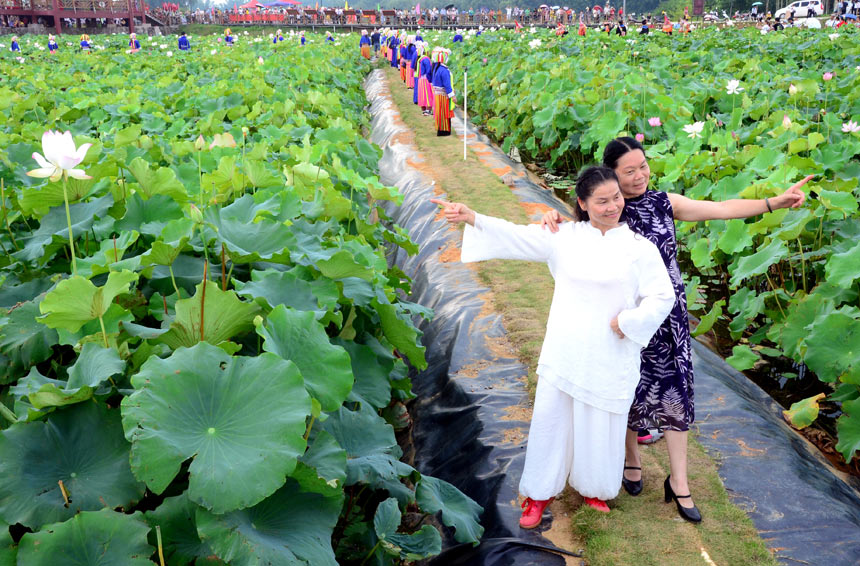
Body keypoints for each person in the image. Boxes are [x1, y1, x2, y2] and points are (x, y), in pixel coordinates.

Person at [541, 137, 812, 523]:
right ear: (611, 177)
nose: (639, 176)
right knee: (624, 390)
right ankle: (631, 461)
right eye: (629, 171)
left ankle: (680, 483)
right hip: (620, 322)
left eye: (643, 166)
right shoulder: (602, 214)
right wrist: (549, 219)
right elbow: (564, 239)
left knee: (675, 396)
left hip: (666, 320)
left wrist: (774, 202)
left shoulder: (663, 203)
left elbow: (720, 208)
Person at [431, 166, 674, 527]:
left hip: (610, 351)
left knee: (601, 422)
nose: (613, 207)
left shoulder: (639, 248)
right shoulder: (563, 236)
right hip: (565, 348)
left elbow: (661, 295)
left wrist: (628, 322)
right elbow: (515, 236)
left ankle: (594, 488)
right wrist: (472, 216)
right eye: (602, 201)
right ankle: (540, 493)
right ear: (582, 203)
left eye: (617, 198)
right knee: (552, 419)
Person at [431, 48, 455, 136]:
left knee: (439, 112)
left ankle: (440, 130)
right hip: (443, 95)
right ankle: (444, 131)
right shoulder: (444, 70)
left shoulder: (436, 68)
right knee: (444, 112)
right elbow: (447, 85)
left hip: (437, 95)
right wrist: (452, 96)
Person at [415, 41, 433, 116]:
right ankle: (428, 110)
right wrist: (431, 80)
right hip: (426, 79)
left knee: (422, 94)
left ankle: (424, 110)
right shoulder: (426, 59)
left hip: (420, 79)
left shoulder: (420, 59)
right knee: (428, 94)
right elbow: (429, 70)